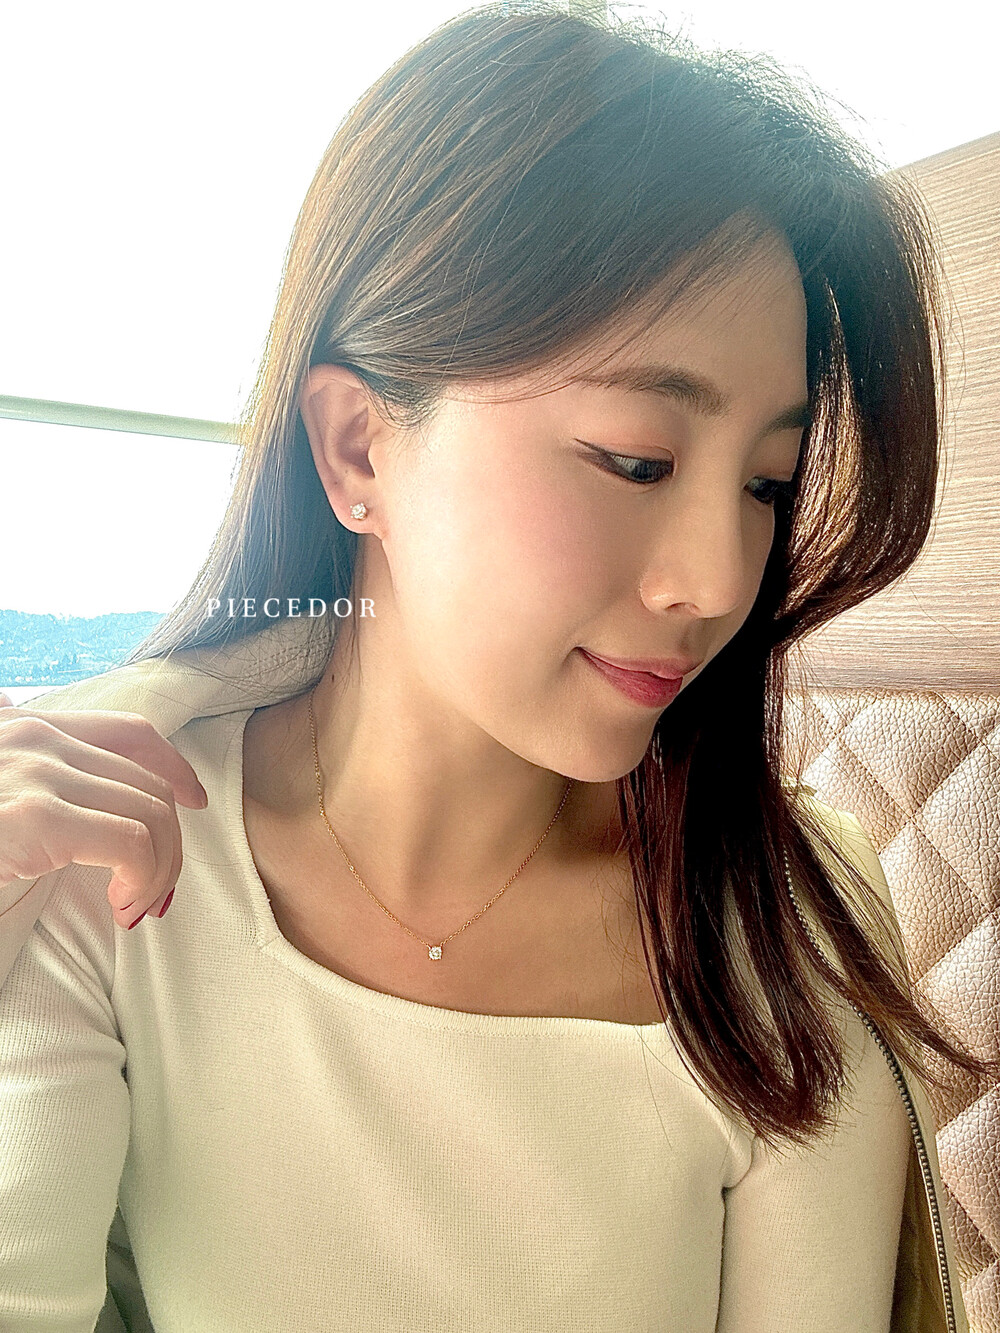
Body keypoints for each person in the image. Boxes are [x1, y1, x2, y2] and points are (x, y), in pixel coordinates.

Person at [0, 3, 994, 1329]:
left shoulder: (779, 920)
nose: (718, 579)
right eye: (636, 459)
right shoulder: (102, 851)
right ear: (358, 448)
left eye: (766, 481)